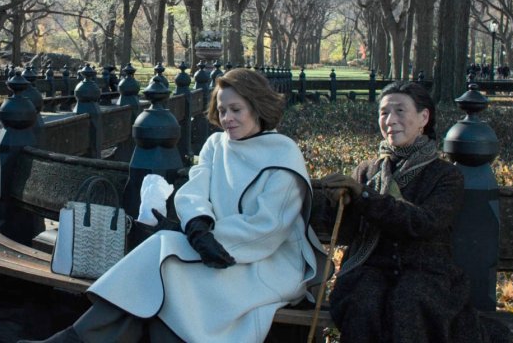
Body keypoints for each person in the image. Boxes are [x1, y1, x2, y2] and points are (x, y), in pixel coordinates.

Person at [23, 68, 325, 342]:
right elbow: (194, 190)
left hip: (266, 265)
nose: (227, 118)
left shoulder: (283, 155)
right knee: (162, 274)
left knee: (164, 266)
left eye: (236, 110)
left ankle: (71, 340)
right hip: (214, 246)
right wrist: (197, 226)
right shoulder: (216, 145)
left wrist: (207, 237)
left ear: (258, 108)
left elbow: (267, 230)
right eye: (221, 110)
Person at [316, 81, 512, 343]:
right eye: (384, 112)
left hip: (427, 273)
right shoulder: (367, 171)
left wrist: (364, 196)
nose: (390, 120)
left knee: (410, 301)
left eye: (400, 111)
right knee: (363, 301)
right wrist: (338, 203)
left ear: (423, 117)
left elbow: (423, 223)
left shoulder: (445, 175)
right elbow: (348, 232)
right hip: (370, 268)